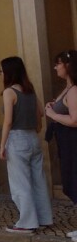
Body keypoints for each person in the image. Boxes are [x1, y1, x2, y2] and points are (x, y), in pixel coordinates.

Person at [0, 56, 53, 233]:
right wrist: (36, 128)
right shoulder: (30, 90)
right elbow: (41, 113)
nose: (0, 74)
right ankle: (45, 217)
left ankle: (27, 222)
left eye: (1, 71)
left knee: (20, 183)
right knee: (38, 180)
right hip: (32, 137)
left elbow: (7, 121)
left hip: (16, 138)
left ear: (8, 72)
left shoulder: (9, 92)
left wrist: (2, 145)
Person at [45, 50, 77, 206]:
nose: (55, 68)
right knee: (70, 179)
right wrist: (54, 106)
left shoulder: (74, 90)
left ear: (68, 65)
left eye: (58, 64)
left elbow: (74, 120)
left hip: (73, 142)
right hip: (66, 142)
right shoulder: (69, 88)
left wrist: (53, 114)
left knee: (74, 180)